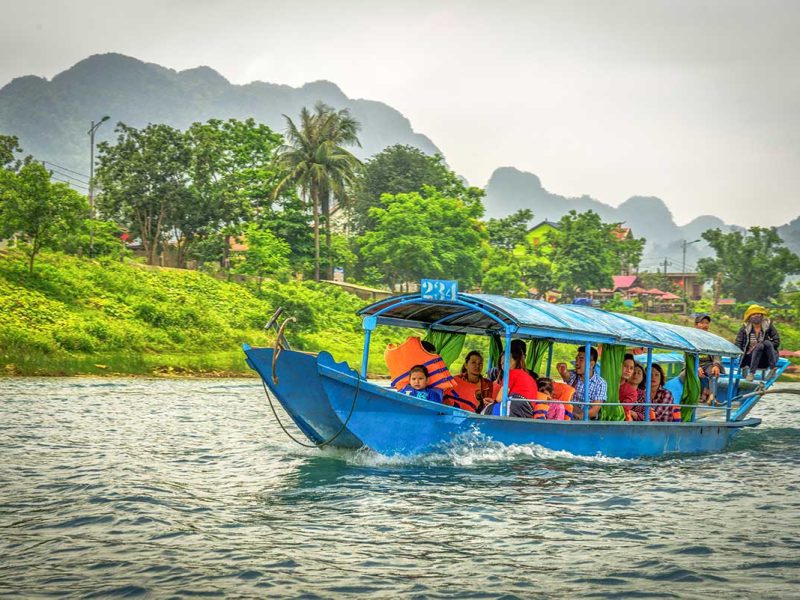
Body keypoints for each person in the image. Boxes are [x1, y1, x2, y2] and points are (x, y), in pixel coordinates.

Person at [483, 344, 538, 418]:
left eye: (507, 362)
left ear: (516, 361)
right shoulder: (530, 378)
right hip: (528, 412)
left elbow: (499, 398)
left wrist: (493, 403)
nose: (504, 367)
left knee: (486, 411)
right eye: (502, 364)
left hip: (515, 406)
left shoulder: (511, 373)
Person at [556, 346, 607, 420]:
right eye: (576, 359)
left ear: (591, 364)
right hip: (568, 414)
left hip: (584, 420)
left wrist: (578, 416)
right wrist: (563, 371)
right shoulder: (573, 375)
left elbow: (594, 411)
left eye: (581, 360)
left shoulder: (600, 383)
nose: (576, 363)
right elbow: (566, 375)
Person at [734, 305, 780, 382]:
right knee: (759, 346)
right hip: (749, 359)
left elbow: (776, 341)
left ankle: (773, 368)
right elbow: (738, 343)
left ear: (761, 315)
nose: (756, 316)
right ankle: (751, 373)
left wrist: (764, 345)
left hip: (766, 359)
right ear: (749, 317)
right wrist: (738, 356)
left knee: (766, 342)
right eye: (753, 314)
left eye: (758, 314)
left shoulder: (768, 326)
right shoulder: (745, 328)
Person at [690, 313, 724, 403]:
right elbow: (688, 355)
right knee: (684, 375)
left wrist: (716, 365)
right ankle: (692, 397)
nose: (705, 325)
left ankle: (712, 397)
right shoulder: (690, 338)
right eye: (702, 323)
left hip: (708, 364)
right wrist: (696, 366)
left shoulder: (712, 338)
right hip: (694, 363)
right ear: (696, 325)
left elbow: (717, 353)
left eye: (707, 323)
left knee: (714, 372)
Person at [619, 353, 639, 421]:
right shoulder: (604, 384)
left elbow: (623, 409)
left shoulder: (632, 392)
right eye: (625, 366)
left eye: (631, 368)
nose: (628, 370)